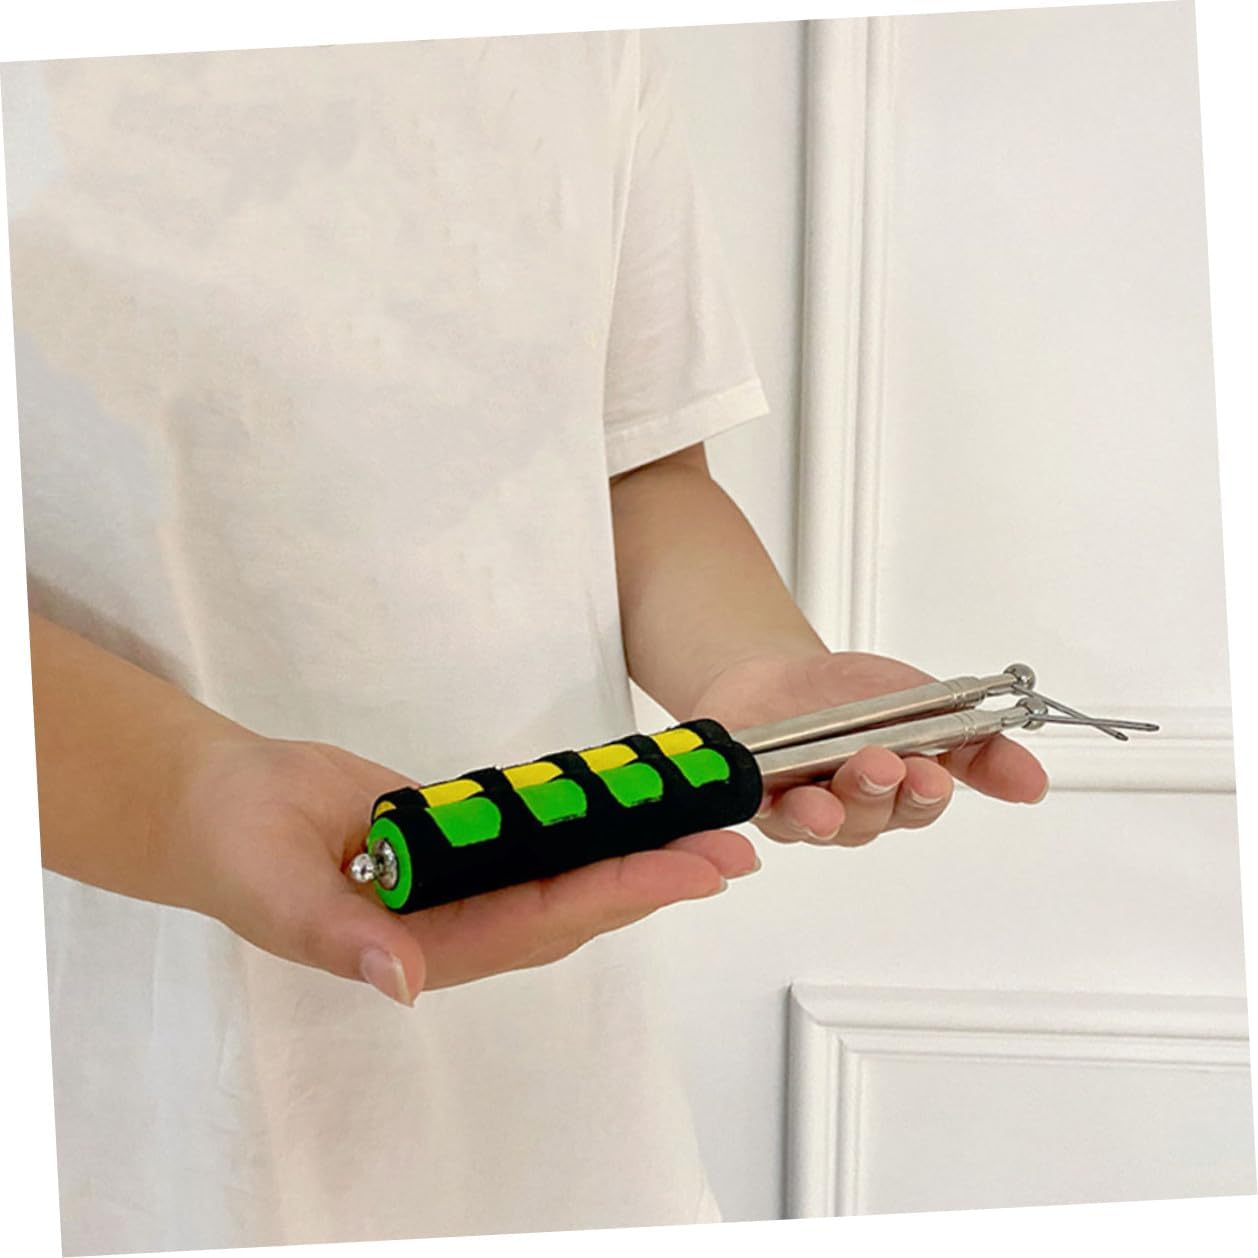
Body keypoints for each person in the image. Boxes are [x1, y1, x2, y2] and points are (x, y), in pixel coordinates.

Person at [6, 29, 1046, 1254]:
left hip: (545, 1074)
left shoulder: (589, 37)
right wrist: (186, 797)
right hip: (106, 1081)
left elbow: (633, 467)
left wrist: (752, 672)